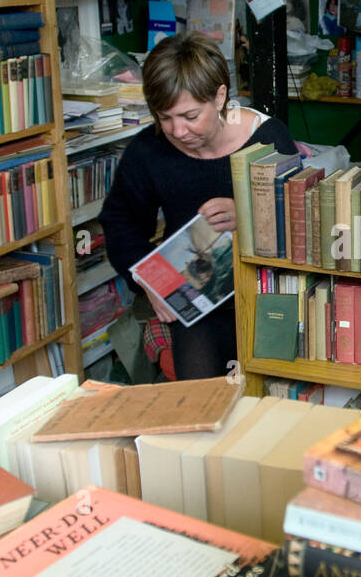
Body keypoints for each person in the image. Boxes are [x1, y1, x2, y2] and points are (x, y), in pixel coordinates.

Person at [100, 33, 298, 380]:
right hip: (197, 299)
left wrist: (249, 215)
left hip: (270, 288)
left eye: (190, 115)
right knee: (204, 399)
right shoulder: (150, 150)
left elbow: (303, 224)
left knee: (277, 396)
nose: (178, 131)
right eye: (164, 118)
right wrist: (148, 279)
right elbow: (120, 222)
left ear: (220, 96)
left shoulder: (268, 138)